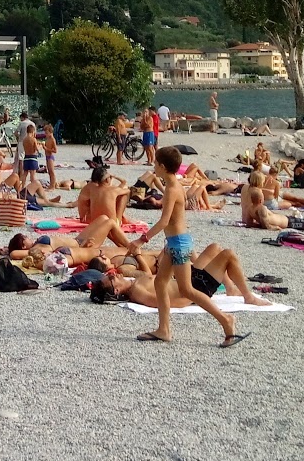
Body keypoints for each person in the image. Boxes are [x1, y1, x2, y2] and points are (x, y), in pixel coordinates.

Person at [129, 148, 243, 347]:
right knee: (160, 283)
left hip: (179, 245)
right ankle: (164, 329)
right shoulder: (173, 185)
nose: (153, 166)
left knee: (187, 290)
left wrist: (141, 240)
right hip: (174, 244)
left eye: (155, 163)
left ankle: (226, 320)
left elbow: (164, 222)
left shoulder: (173, 190)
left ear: (163, 167)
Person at [97, 243, 271, 308]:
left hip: (189, 279)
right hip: (195, 287)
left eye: (111, 274)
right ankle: (248, 297)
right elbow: (166, 304)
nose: (114, 275)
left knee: (214, 248)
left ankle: (231, 289)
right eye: (112, 278)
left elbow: (151, 276)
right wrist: (192, 297)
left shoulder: (135, 283)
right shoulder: (138, 293)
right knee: (229, 255)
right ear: (116, 291)